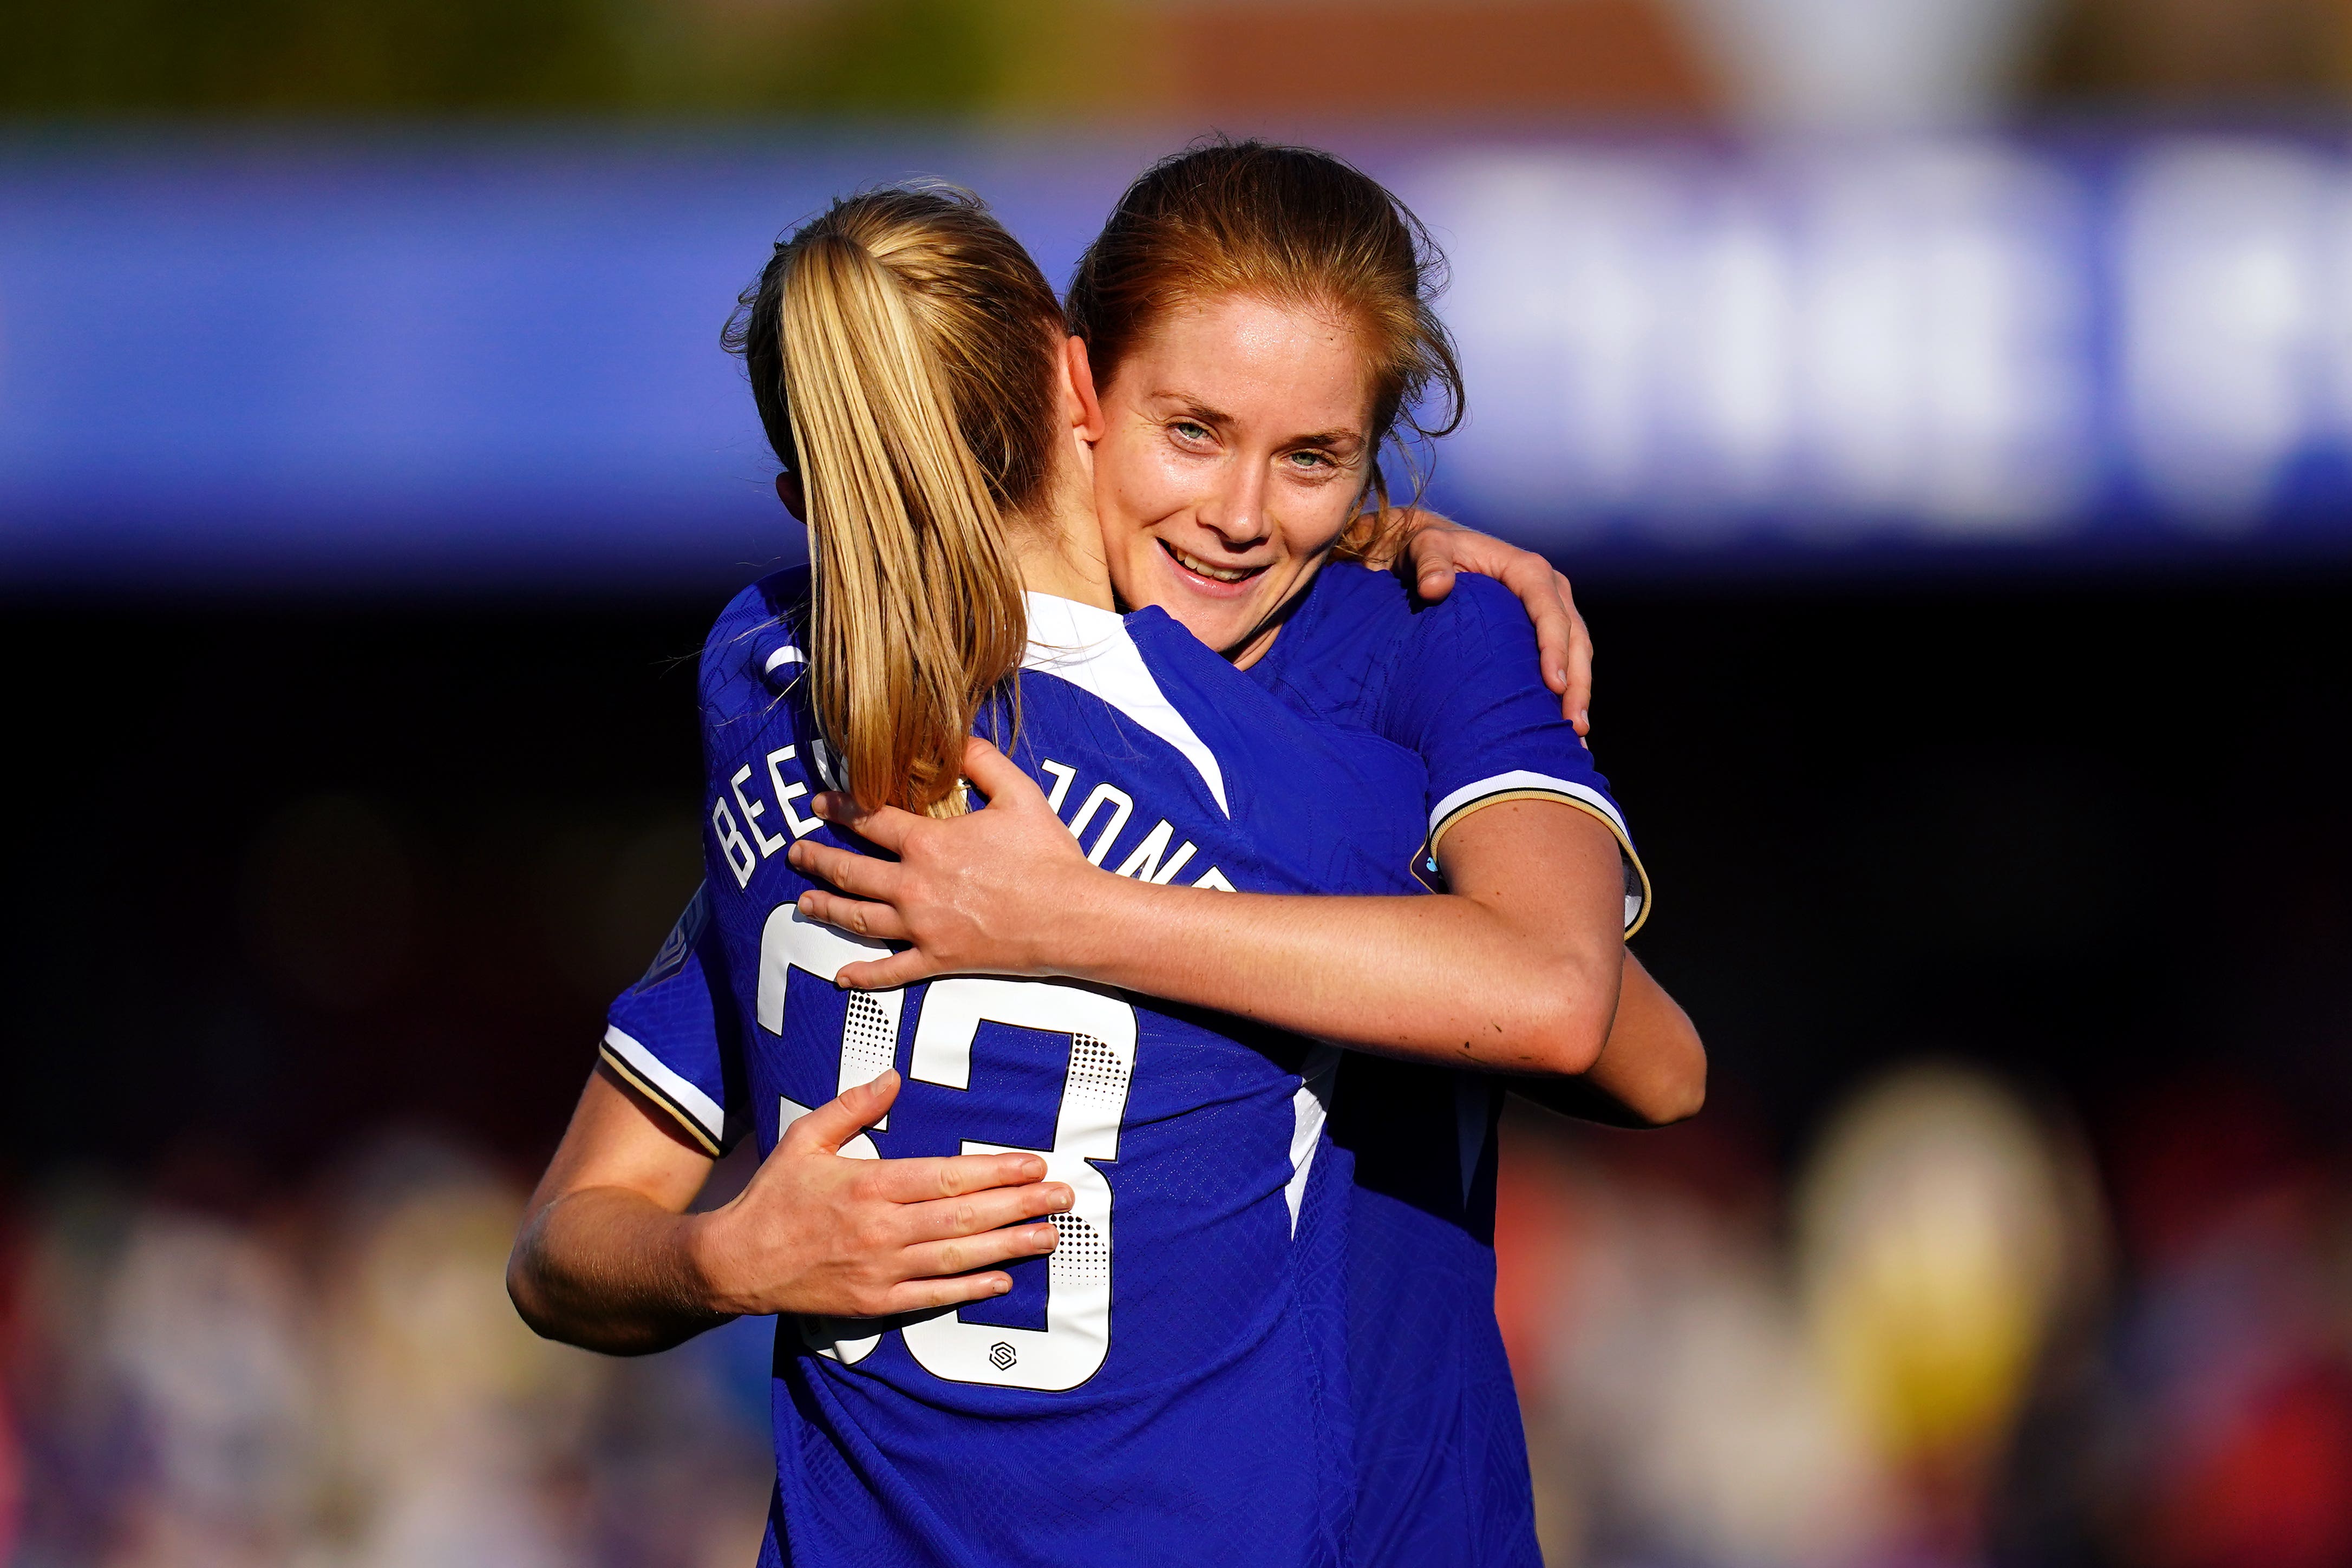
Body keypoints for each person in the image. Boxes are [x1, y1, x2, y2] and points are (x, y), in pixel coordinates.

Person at [777, 140, 1703, 1567]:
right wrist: (718, 1258)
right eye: (1192, 430)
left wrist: (1079, 918)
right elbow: (585, 1228)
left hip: (1399, 1523)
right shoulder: (909, 683)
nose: (1239, 513)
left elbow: (1603, 1024)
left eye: (1316, 459)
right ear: (1078, 394)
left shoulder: (1429, 632)